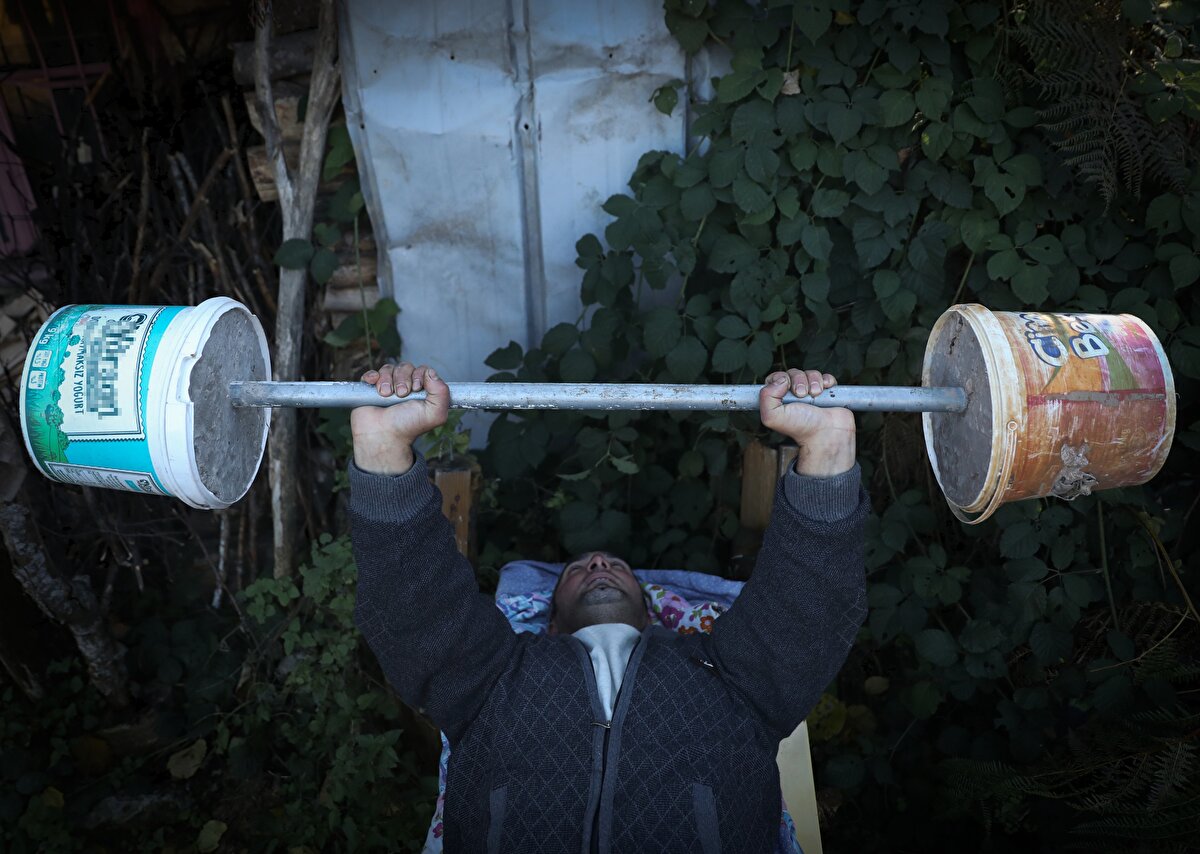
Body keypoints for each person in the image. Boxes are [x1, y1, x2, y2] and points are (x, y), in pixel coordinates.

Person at [349, 362, 867, 853]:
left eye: (615, 565)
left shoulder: (729, 677)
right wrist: (382, 448)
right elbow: (418, 612)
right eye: (576, 569)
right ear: (550, 620)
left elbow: (807, 612)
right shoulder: (494, 677)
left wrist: (828, 446)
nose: (597, 562)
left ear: (651, 613)